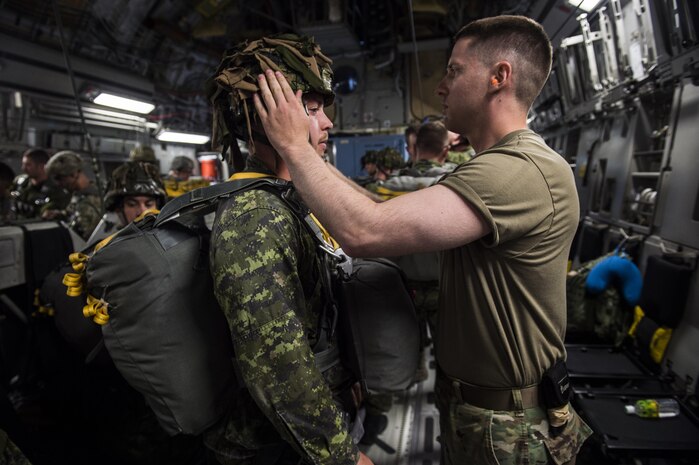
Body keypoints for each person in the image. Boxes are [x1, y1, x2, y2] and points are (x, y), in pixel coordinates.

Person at [253, 15, 591, 465]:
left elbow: (365, 230)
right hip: (480, 408)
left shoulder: (519, 170)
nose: (440, 86)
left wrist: (295, 147)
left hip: (510, 427)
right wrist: (314, 160)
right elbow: (374, 205)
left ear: (499, 77)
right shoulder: (493, 166)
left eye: (454, 70)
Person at [205, 34, 373, 465]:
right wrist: (342, 457)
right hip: (275, 445)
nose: (328, 123)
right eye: (312, 110)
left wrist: (344, 375)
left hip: (313, 424)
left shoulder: (291, 197)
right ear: (265, 120)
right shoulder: (254, 217)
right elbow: (277, 365)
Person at [87, 161, 167, 245]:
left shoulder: (170, 240)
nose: (143, 212)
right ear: (118, 209)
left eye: (149, 204)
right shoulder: (104, 248)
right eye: (132, 204)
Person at [44, 150, 102, 241]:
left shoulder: (93, 199)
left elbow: (85, 236)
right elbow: (72, 213)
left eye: (59, 178)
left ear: (73, 174)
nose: (58, 183)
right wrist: (59, 214)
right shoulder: (78, 195)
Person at [9, 148, 69, 220]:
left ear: (41, 166)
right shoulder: (19, 182)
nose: (23, 168)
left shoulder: (56, 190)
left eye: (28, 165)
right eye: (23, 164)